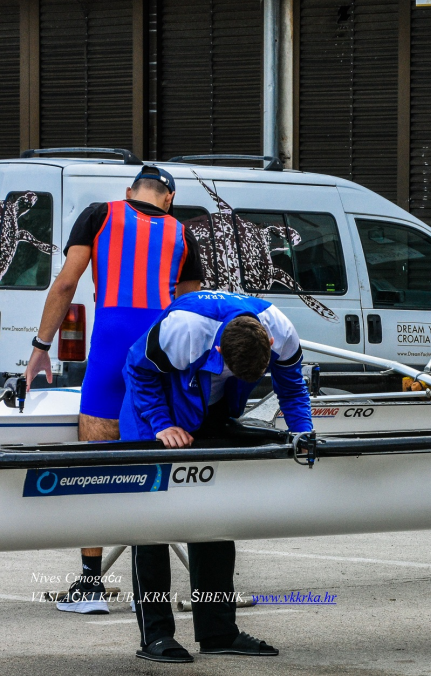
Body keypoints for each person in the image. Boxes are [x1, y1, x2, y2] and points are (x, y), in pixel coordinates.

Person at [24, 165, 203, 614]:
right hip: (157, 355)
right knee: (159, 465)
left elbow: (66, 283)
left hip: (108, 350)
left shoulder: (100, 213)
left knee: (97, 469)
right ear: (169, 198)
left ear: (130, 191)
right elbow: (189, 305)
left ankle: (89, 587)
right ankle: (197, 584)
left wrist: (41, 346)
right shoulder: (183, 233)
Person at [120, 291, 313, 663]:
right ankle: (156, 635)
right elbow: (137, 371)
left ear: (269, 341)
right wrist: (163, 425)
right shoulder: (185, 330)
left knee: (214, 520)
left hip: (212, 411)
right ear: (220, 352)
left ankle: (218, 632)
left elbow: (291, 385)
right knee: (151, 526)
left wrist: (302, 433)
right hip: (154, 414)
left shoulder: (282, 330)